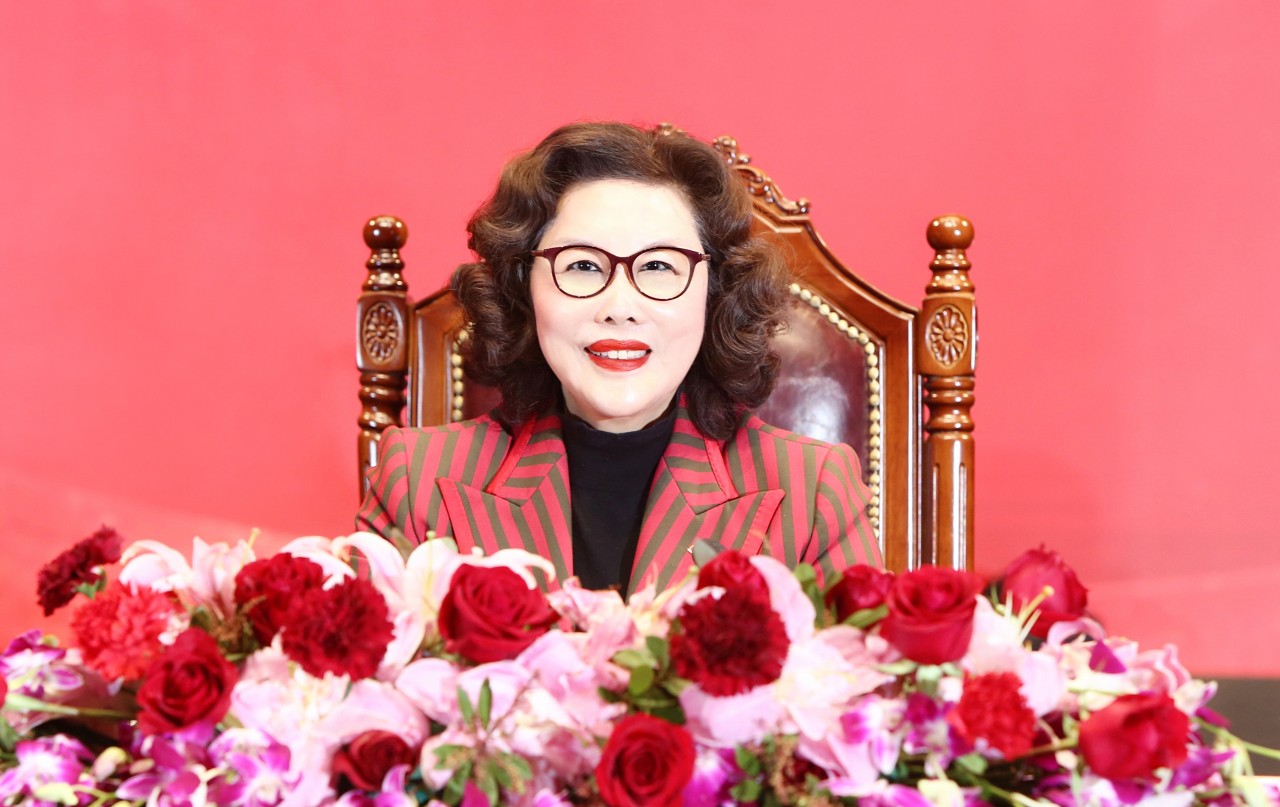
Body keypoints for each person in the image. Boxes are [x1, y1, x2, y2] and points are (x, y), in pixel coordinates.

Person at [357, 122, 881, 596]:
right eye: (582, 265)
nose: (620, 307)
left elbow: (864, 673)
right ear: (523, 288)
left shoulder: (813, 492)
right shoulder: (417, 480)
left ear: (715, 293)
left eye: (659, 266)